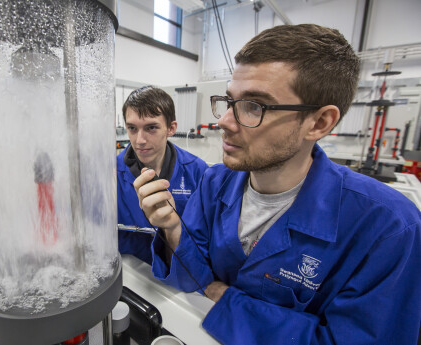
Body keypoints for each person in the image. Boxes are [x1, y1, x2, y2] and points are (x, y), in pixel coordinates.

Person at [133, 24, 421, 344]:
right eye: (229, 101)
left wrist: (226, 299)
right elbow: (192, 276)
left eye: (254, 106)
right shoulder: (215, 183)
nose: (225, 121)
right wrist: (172, 227)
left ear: (319, 122)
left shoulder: (388, 227)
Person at [117, 86, 209, 264]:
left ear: (171, 128)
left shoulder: (198, 171)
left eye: (151, 128)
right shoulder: (110, 174)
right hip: (131, 278)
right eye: (132, 128)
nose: (140, 140)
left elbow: (206, 240)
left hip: (183, 277)